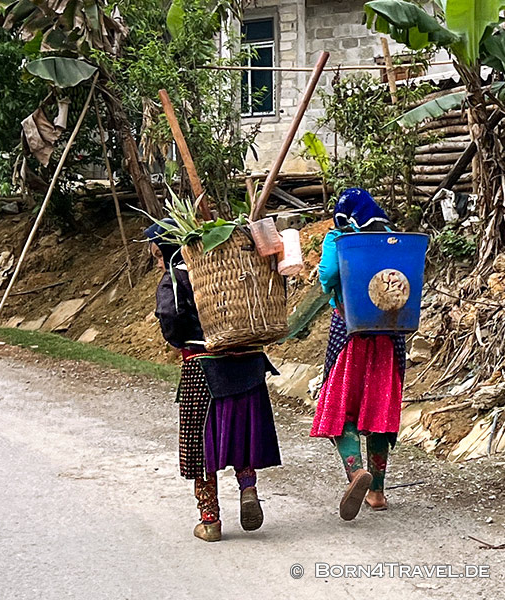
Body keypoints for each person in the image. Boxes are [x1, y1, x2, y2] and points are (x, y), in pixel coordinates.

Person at [148, 222, 282, 542]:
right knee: (243, 432)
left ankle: (210, 521)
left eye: (158, 255)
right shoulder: (226, 269)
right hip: (248, 363)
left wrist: (180, 340)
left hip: (204, 368)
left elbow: (170, 318)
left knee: (200, 445)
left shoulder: (178, 277)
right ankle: (248, 488)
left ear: (169, 250)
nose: (159, 263)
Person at [306, 189, 407, 521]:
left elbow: (328, 276)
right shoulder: (392, 238)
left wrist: (330, 284)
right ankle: (376, 493)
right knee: (379, 410)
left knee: (340, 408)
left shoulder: (339, 237)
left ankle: (356, 472)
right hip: (389, 337)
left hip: (350, 336)